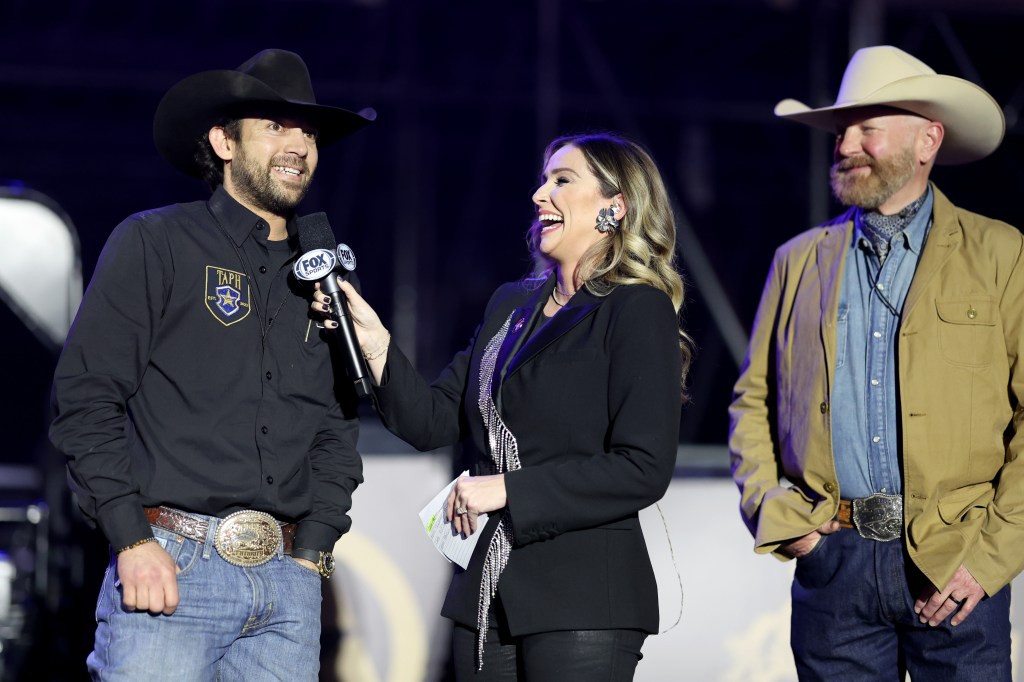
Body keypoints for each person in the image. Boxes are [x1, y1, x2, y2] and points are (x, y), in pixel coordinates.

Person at [315, 133, 690, 679]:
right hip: (485, 596)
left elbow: (643, 468)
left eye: (562, 180)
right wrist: (376, 347)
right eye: (543, 180)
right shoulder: (511, 305)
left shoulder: (637, 309)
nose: (541, 194)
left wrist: (507, 489)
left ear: (616, 205)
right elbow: (433, 419)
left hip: (582, 599)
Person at [49, 49, 371, 681]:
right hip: (171, 566)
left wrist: (312, 551)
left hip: (287, 582)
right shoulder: (155, 241)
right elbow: (87, 399)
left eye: (309, 132)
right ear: (224, 141)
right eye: (276, 125)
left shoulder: (323, 273)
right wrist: (131, 539)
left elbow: (337, 427)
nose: (299, 145)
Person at [729, 44, 1023, 680]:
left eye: (867, 128)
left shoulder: (1000, 253)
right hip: (832, 563)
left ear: (927, 142)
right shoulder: (798, 261)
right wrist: (781, 518)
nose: (845, 145)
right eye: (841, 131)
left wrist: (992, 557)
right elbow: (752, 400)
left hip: (954, 563)